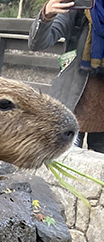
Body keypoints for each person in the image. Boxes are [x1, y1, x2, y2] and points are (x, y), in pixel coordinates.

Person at [29, 0, 104, 153]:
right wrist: (46, 15)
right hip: (73, 101)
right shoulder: (79, 6)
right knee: (65, 161)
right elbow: (37, 43)